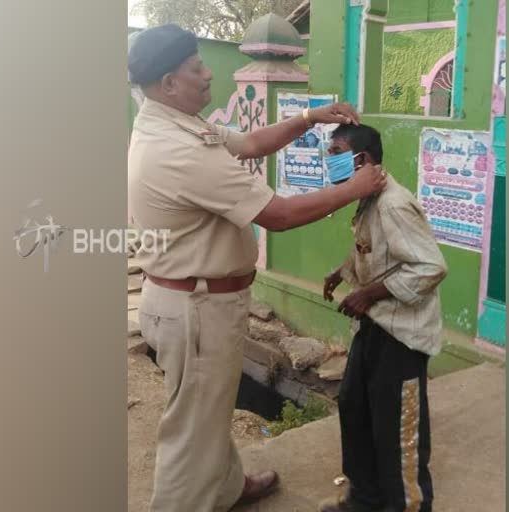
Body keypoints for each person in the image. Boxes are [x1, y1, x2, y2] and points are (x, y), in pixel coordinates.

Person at [127, 24, 387, 512]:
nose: (208, 75)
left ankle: (226, 488)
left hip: (196, 299)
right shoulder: (180, 152)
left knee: (208, 411)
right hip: (196, 306)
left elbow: (248, 143)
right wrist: (353, 188)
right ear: (168, 83)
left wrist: (308, 117)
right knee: (190, 434)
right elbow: (279, 215)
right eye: (197, 68)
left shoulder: (174, 122)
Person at [320, 124, 448, 512]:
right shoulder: (369, 200)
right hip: (376, 326)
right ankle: (365, 498)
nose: (330, 159)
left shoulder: (393, 203)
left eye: (336, 151)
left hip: (402, 336)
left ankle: (406, 505)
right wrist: (342, 272)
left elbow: (430, 267)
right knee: (354, 405)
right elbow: (372, 249)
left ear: (361, 160)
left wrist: (368, 293)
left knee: (398, 431)